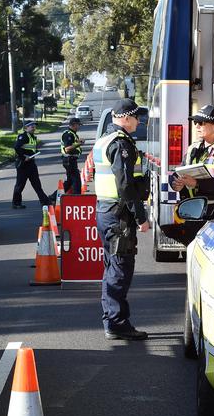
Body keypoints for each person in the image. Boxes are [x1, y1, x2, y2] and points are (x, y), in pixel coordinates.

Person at [93, 98, 150, 341]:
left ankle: (114, 320)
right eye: (136, 117)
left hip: (107, 212)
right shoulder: (120, 144)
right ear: (125, 117)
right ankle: (116, 323)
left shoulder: (105, 139)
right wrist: (141, 216)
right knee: (120, 268)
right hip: (119, 215)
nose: (139, 122)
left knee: (112, 266)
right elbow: (125, 185)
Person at [171, 104, 214, 204]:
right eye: (195, 122)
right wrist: (176, 184)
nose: (197, 126)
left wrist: (196, 183)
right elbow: (176, 174)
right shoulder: (193, 148)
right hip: (191, 208)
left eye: (201, 123)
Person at [11, 121, 52, 209]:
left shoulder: (32, 137)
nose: (34, 128)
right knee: (20, 185)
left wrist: (34, 153)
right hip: (23, 164)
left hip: (31, 163)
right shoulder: (23, 136)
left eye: (34, 126)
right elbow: (17, 148)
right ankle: (16, 203)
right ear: (26, 128)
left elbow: (30, 148)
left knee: (37, 183)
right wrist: (24, 157)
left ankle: (44, 201)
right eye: (31, 126)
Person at [61, 118, 83, 195]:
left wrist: (77, 143)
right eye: (78, 125)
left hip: (71, 160)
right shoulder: (68, 134)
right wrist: (79, 144)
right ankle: (77, 198)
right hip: (69, 160)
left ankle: (53, 197)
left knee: (70, 182)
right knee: (76, 181)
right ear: (74, 125)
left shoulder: (73, 134)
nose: (79, 127)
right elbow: (67, 149)